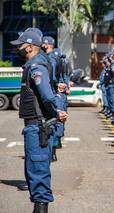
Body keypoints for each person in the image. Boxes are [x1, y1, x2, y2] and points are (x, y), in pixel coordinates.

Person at [11, 29, 68, 213]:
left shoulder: (36, 67)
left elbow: (46, 95)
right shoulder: (33, 65)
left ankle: (41, 208)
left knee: (38, 170)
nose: (18, 48)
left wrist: (56, 111)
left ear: (29, 47)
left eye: (21, 45)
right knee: (33, 170)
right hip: (34, 125)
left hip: (38, 126)